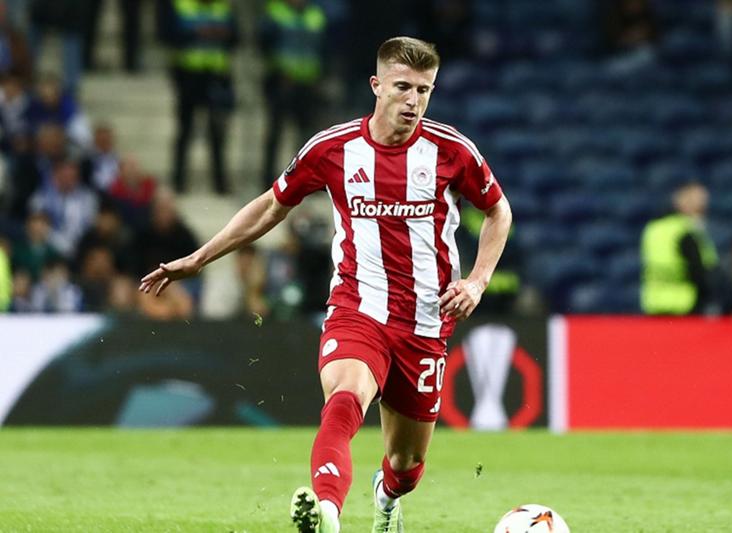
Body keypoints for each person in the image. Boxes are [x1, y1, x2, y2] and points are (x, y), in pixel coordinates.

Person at [139, 36, 512, 533]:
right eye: (402, 87)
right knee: (345, 396)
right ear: (376, 85)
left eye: (424, 90)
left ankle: (386, 497)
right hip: (358, 307)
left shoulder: (452, 151)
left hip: (426, 321)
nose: (413, 101)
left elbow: (498, 211)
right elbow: (271, 206)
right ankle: (328, 513)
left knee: (405, 465)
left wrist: (477, 282)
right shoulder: (333, 149)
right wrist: (199, 258)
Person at [158, 0, 239, 194]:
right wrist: (196, 33)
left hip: (216, 77)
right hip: (189, 77)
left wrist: (222, 33)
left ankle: (220, 183)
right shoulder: (180, 5)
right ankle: (179, 181)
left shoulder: (223, 6)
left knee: (217, 133)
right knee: (185, 130)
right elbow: (166, 35)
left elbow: (236, 38)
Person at [258, 0, 327, 188]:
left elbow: (323, 50)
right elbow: (264, 47)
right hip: (281, 83)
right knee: (275, 133)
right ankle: (268, 179)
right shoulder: (275, 13)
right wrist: (276, 73)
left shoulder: (317, 16)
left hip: (308, 84)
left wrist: (320, 78)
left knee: (307, 136)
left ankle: (306, 179)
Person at [640, 181, 717, 315]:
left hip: (654, 304)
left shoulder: (653, 228)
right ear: (682, 202)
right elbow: (701, 273)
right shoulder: (687, 232)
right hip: (686, 305)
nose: (703, 207)